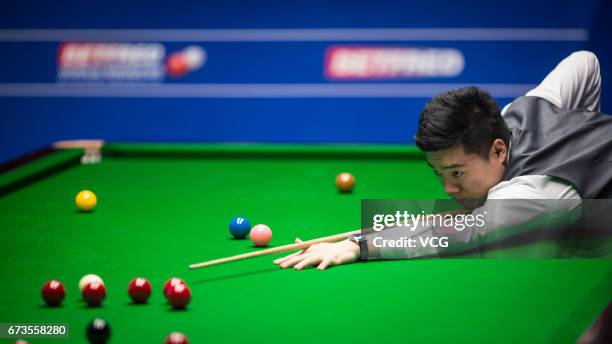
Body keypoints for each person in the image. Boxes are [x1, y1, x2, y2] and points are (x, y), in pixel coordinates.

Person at [274, 50, 612, 270]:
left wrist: (357, 245)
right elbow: (585, 62)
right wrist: (582, 132)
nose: (449, 188)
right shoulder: (522, 112)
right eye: (439, 173)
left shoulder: (532, 194)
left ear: (498, 151)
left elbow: (457, 232)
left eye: (457, 172)